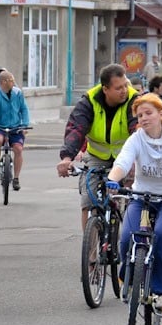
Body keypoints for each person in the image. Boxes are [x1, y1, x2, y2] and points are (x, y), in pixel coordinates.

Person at [104, 93, 162, 312]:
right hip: (142, 198)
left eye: (148, 113)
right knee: (126, 238)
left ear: (161, 114)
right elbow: (123, 162)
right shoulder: (136, 138)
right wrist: (113, 180)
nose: (143, 118)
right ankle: (130, 276)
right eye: (139, 115)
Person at [56, 63, 139, 230]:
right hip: (96, 157)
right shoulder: (89, 101)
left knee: (134, 197)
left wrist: (136, 160)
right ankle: (91, 249)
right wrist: (66, 158)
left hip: (126, 156)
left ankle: (132, 241)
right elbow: (76, 129)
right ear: (105, 89)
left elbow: (138, 130)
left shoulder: (133, 99)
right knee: (88, 200)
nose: (124, 90)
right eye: (118, 88)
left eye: (125, 85)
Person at [0, 70, 31, 191]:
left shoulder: (17, 93)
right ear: (4, 82)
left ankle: (16, 178)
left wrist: (24, 125)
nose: (14, 83)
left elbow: (24, 109)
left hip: (15, 126)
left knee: (18, 149)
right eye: (11, 80)